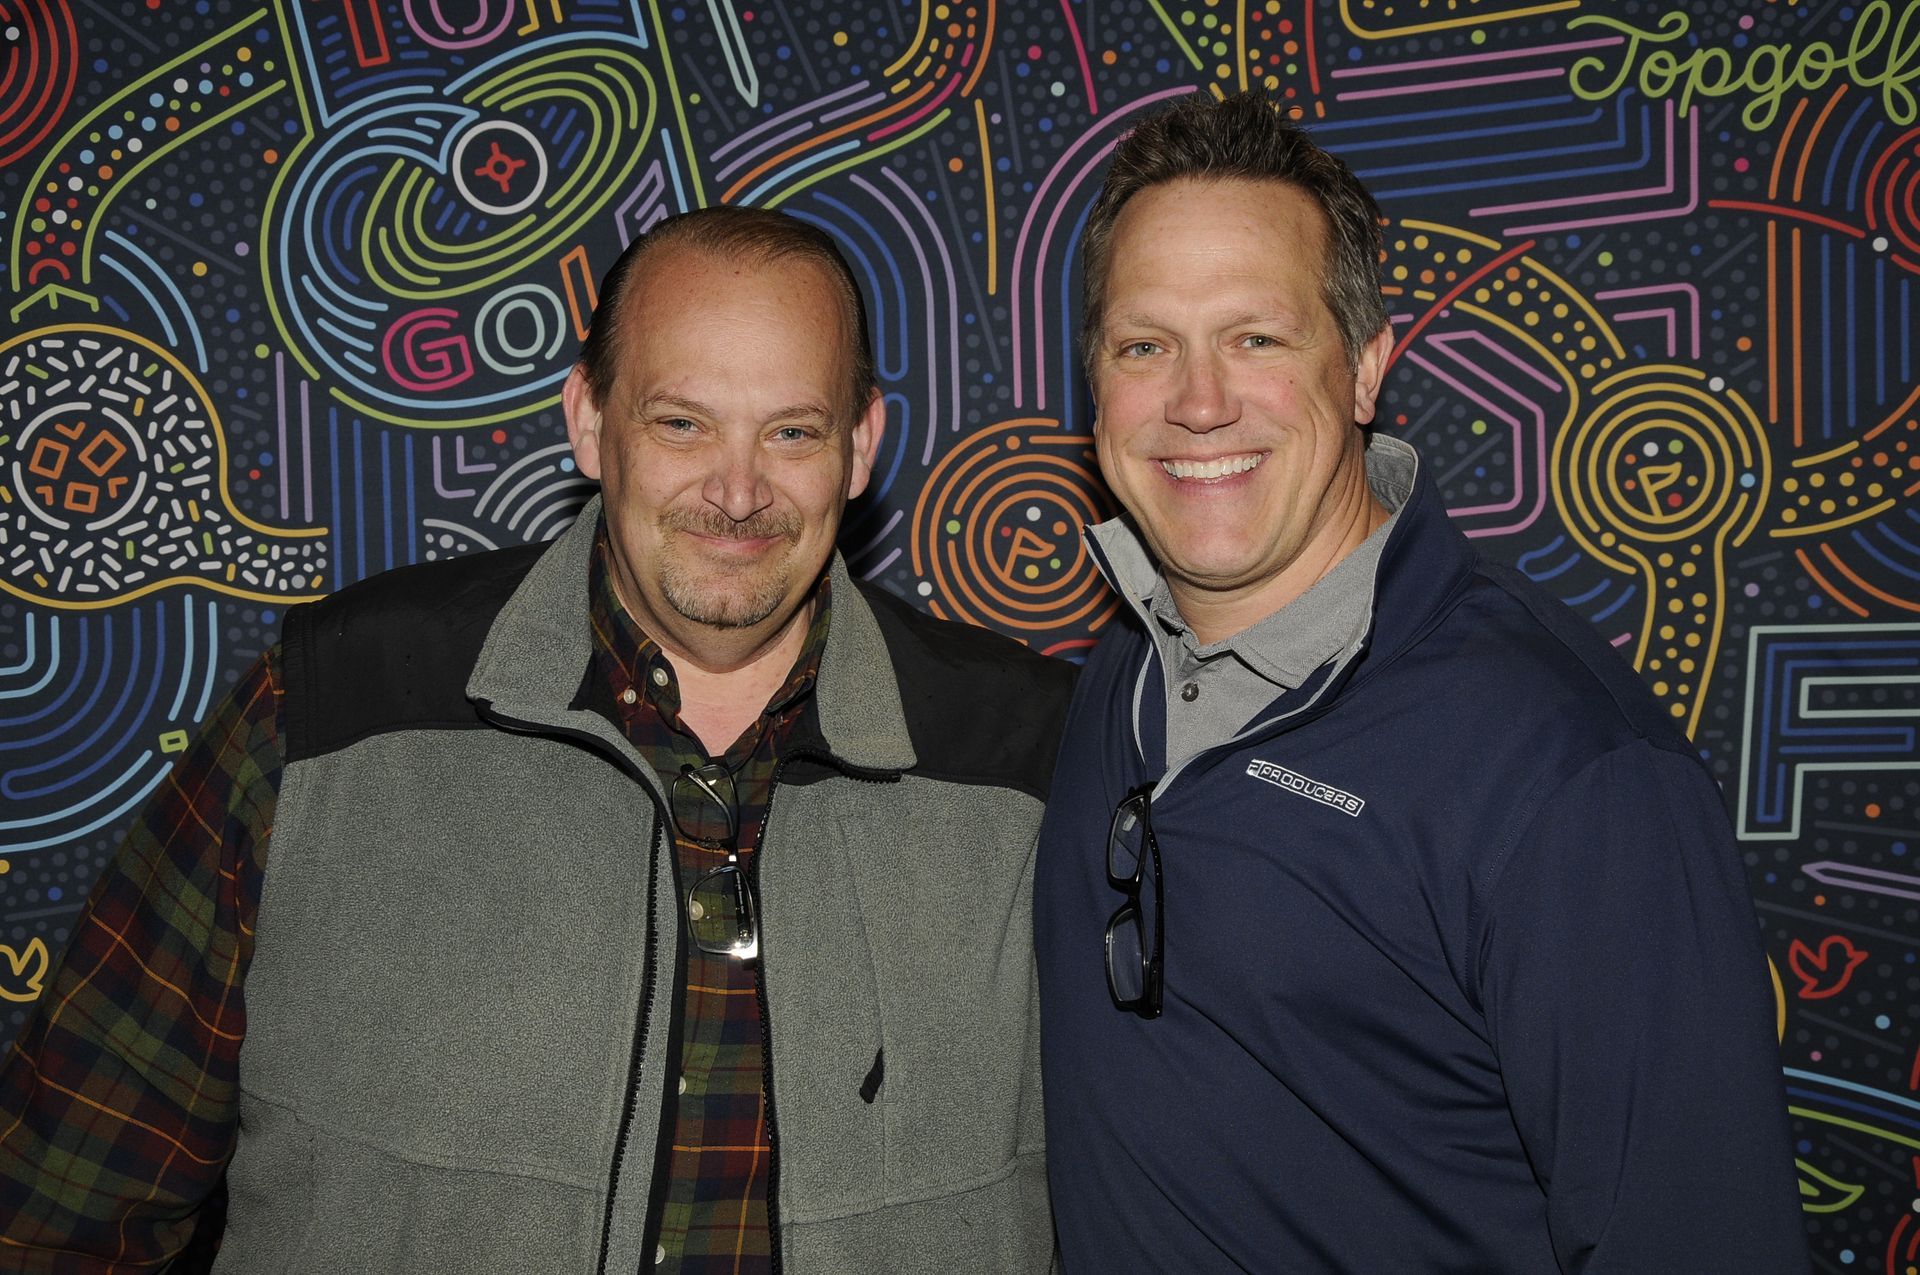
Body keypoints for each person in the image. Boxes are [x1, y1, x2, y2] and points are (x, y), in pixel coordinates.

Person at [0, 206, 1071, 1273]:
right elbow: (68, 1191)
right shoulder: (333, 705)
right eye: (681, 423)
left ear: (861, 448)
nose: (738, 493)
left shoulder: (1036, 758)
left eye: (791, 430)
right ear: (589, 423)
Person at [1034, 92, 1811, 1273]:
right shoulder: (1121, 678)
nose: (1198, 402)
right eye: (1146, 346)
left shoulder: (1569, 773)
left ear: (1364, 371)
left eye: (1258, 337)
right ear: (1096, 385)